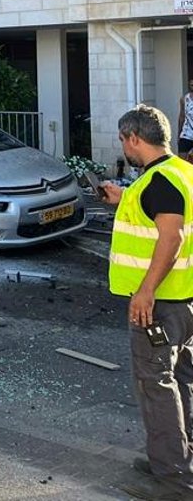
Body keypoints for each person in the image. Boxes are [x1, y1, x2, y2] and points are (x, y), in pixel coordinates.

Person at [103, 104, 193, 501]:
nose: (124, 147)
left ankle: (173, 479)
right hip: (185, 301)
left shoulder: (158, 182)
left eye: (124, 141)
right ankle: (176, 456)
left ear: (134, 139)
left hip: (161, 305)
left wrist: (145, 291)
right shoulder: (181, 172)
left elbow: (170, 238)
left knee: (155, 384)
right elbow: (162, 215)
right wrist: (123, 198)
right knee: (182, 379)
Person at [177, 80, 193, 161]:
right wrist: (179, 134)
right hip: (186, 134)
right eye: (191, 85)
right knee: (181, 160)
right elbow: (182, 116)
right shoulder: (184, 99)